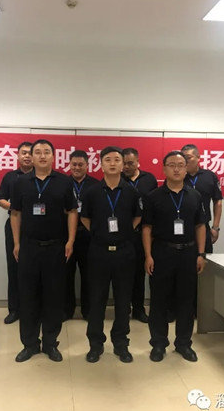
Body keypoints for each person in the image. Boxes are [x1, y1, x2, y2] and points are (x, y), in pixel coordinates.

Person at [10, 139, 78, 362]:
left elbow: (72, 211)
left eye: (46, 152)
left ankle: (50, 343)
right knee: (28, 296)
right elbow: (15, 213)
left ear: (53, 156)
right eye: (37, 152)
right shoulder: (21, 182)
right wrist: (17, 243)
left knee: (53, 297)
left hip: (56, 247)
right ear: (31, 156)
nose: (41, 156)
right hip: (29, 247)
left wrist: (70, 241)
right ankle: (29, 344)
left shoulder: (64, 182)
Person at [142, 151, 207, 362]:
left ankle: (183, 343)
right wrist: (148, 255)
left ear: (186, 168)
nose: (177, 169)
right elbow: (146, 228)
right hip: (162, 252)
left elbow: (200, 226)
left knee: (186, 300)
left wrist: (201, 253)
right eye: (172, 165)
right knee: (159, 300)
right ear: (164, 169)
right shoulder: (153, 197)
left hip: (188, 253)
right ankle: (158, 343)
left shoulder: (195, 196)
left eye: (181, 164)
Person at [81, 146, 142, 363]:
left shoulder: (131, 192)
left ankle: (121, 343)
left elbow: (137, 217)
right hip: (99, 251)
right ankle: (95, 344)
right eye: (108, 159)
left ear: (123, 164)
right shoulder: (92, 192)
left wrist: (123, 233)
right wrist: (100, 234)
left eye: (117, 159)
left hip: (125, 251)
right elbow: (84, 218)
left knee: (123, 300)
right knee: (96, 299)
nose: (113, 163)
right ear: (101, 164)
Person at [0, 141, 33, 324]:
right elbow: (1, 199)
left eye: (30, 153)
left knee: (35, 269)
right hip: (14, 224)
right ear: (18, 156)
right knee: (14, 267)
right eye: (24, 153)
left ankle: (34, 309)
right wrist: (15, 207)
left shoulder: (41, 177)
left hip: (36, 225)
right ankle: (14, 309)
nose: (27, 156)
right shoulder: (10, 177)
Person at [122, 147, 158, 323]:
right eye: (124, 163)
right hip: (123, 233)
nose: (127, 167)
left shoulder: (149, 179)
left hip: (143, 232)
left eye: (130, 163)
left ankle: (139, 309)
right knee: (123, 274)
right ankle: (124, 309)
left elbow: (155, 203)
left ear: (137, 162)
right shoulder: (117, 179)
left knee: (139, 273)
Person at [64, 150, 98, 321]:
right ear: (69, 165)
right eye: (74, 164)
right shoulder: (62, 183)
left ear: (87, 165)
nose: (77, 168)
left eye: (80, 164)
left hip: (88, 236)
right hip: (65, 236)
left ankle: (88, 310)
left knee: (89, 275)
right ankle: (66, 310)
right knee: (65, 275)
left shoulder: (96, 185)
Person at [181, 144, 223, 254]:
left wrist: (216, 227)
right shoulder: (178, 177)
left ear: (198, 157)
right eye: (183, 157)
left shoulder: (209, 176)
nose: (186, 161)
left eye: (189, 157)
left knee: (204, 259)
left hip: (203, 225)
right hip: (182, 227)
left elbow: (217, 201)